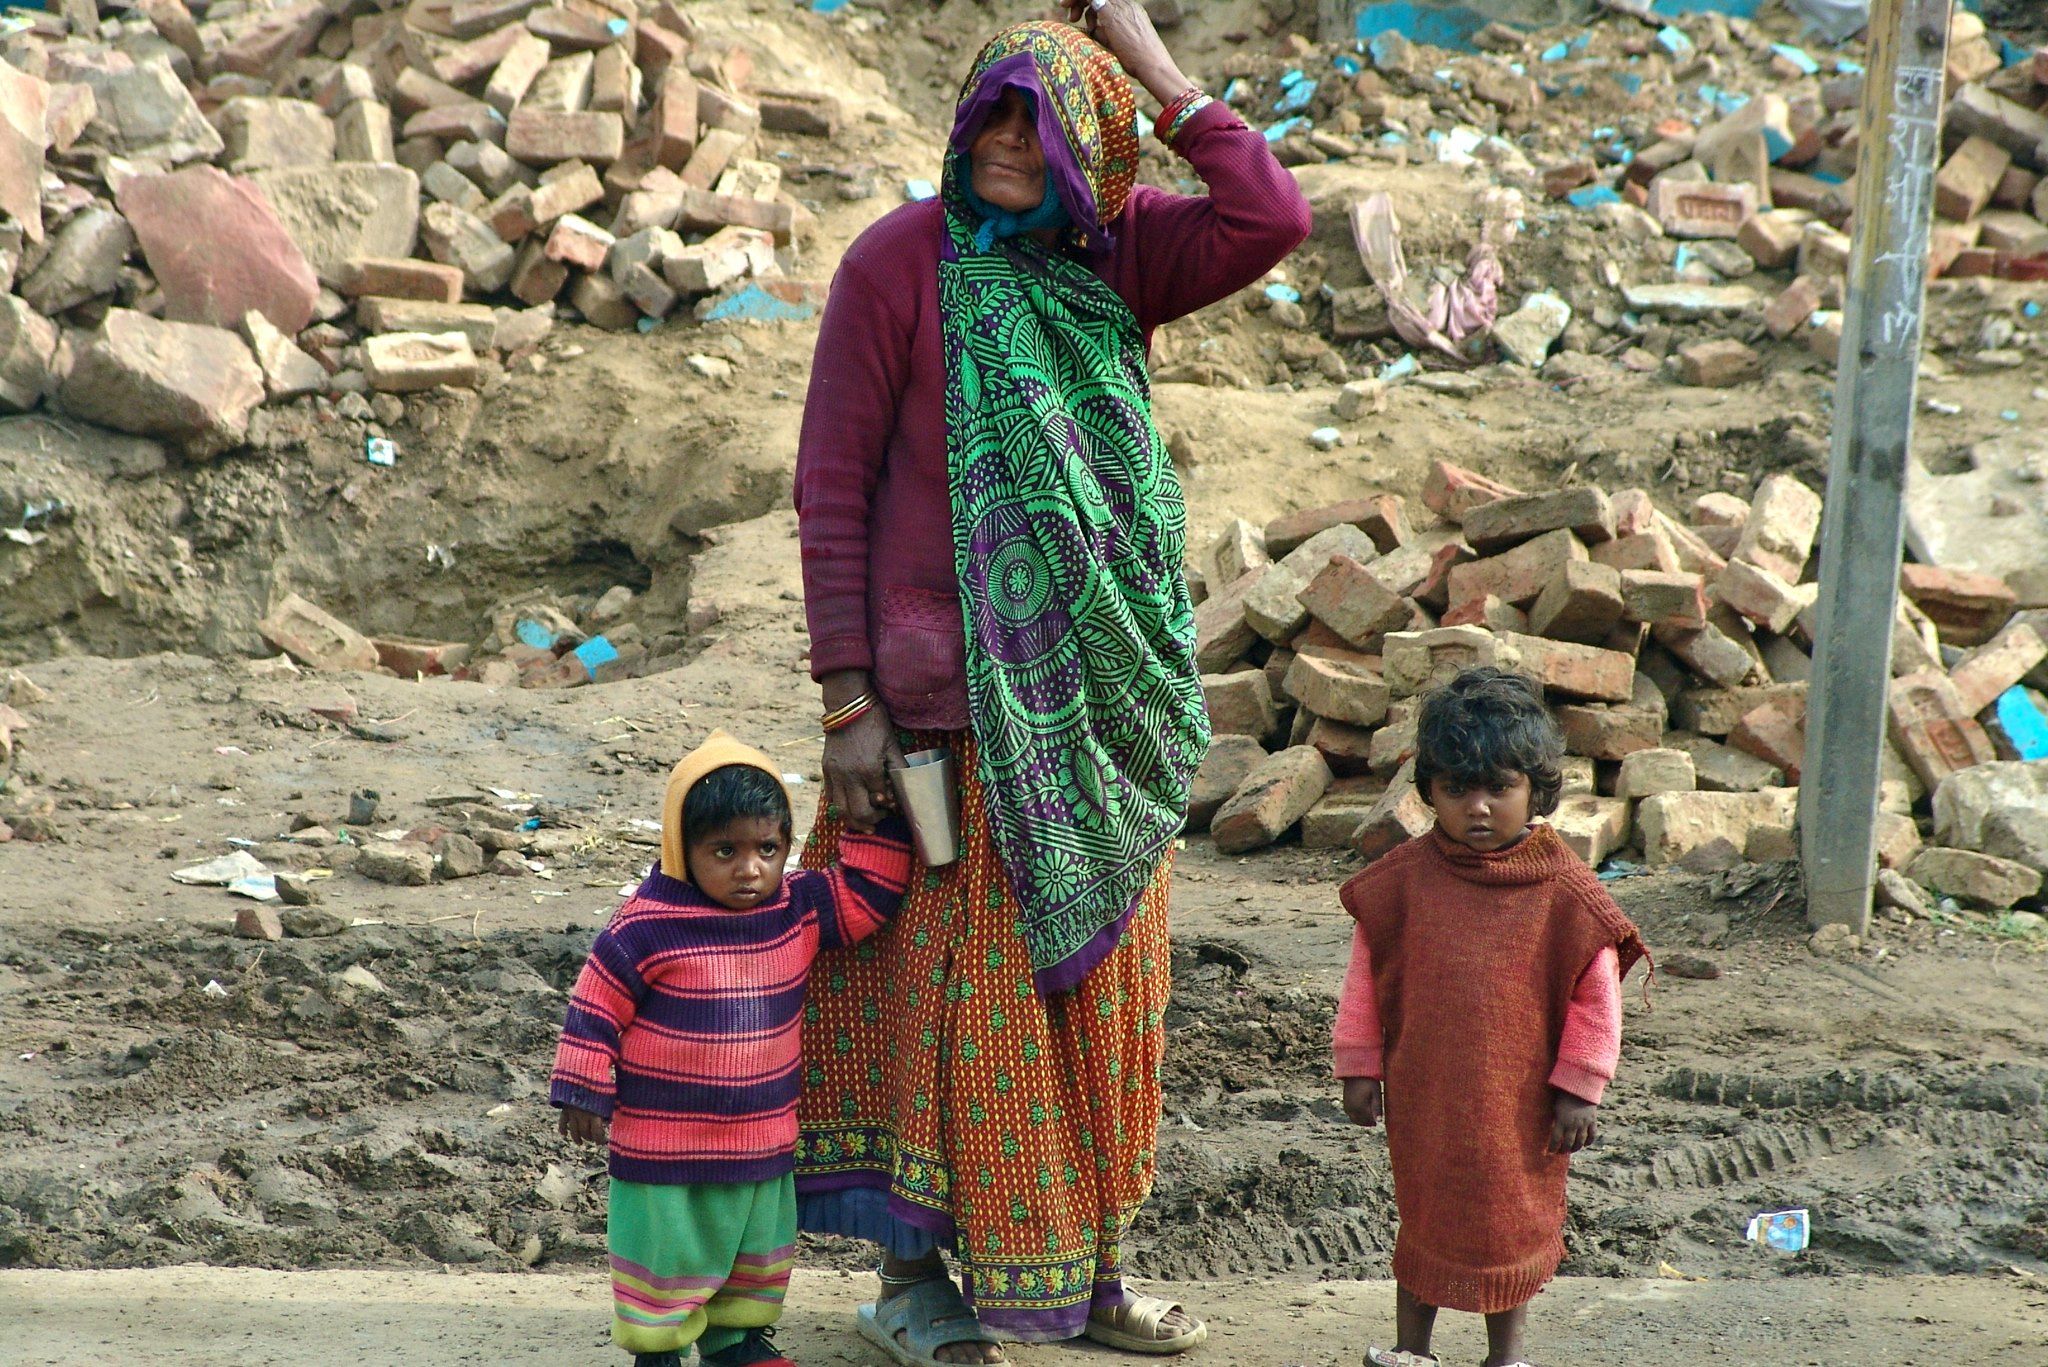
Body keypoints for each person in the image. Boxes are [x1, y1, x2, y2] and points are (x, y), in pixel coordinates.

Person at [790, 0, 1311, 1360]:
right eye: (996, 113)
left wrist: (1145, 56)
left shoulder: (1123, 254)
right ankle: (917, 1286)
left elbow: (1271, 218)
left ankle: (1093, 1273)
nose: (1014, 143)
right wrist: (849, 698)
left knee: (1102, 1011)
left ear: (1101, 145)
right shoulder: (899, 263)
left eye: (1048, 119)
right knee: (943, 1004)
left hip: (1103, 717)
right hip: (938, 719)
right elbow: (832, 488)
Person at [552, 731, 914, 1367]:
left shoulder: (795, 907)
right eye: (724, 850)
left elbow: (863, 896)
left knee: (755, 1247)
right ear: (681, 848)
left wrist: (875, 815)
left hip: (761, 1139)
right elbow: (595, 1004)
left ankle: (737, 1341)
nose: (750, 869)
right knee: (666, 1253)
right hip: (663, 1143)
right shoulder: (646, 923)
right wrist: (584, 1088)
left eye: (767, 848)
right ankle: (659, 1350)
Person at [1333, 668, 1651, 1367]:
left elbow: (1596, 995)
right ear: (1428, 792)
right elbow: (1367, 976)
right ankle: (1411, 1350)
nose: (1478, 807)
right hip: (1428, 1097)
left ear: (1536, 790)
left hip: (1523, 1104)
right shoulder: (1404, 882)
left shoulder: (1565, 888)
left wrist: (1580, 1086)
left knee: (1512, 1224)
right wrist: (1358, 1064)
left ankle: (1504, 1358)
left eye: (1498, 789)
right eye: (1457, 789)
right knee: (1425, 1217)